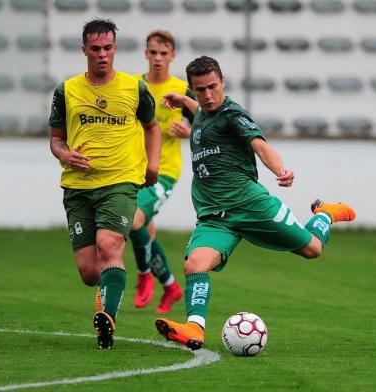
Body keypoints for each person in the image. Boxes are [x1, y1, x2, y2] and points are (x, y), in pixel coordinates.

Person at [155, 56, 356, 350]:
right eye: (200, 90)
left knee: (312, 249)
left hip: (250, 206)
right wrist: (183, 100)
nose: (208, 95)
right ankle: (194, 329)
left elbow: (260, 146)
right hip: (214, 217)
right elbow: (198, 108)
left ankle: (325, 214)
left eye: (213, 87)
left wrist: (280, 170)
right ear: (193, 89)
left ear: (222, 81)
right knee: (194, 265)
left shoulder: (233, 114)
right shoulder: (201, 110)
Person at [49, 18, 161, 349]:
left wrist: (152, 163)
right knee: (89, 272)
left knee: (109, 247)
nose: (102, 54)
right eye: (95, 48)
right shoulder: (66, 91)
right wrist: (64, 155)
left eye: (108, 48)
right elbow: (56, 140)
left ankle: (106, 323)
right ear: (84, 49)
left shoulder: (134, 88)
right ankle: (108, 293)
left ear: (116, 49)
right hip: (78, 186)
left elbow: (152, 127)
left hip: (121, 181)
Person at [130, 30, 195, 314]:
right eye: (153, 52)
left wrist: (189, 131)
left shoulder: (182, 89)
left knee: (132, 223)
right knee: (145, 233)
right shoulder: (132, 86)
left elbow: (208, 129)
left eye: (163, 53)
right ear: (146, 54)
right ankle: (170, 286)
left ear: (172, 56)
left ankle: (144, 276)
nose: (158, 58)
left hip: (164, 171)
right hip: (132, 171)